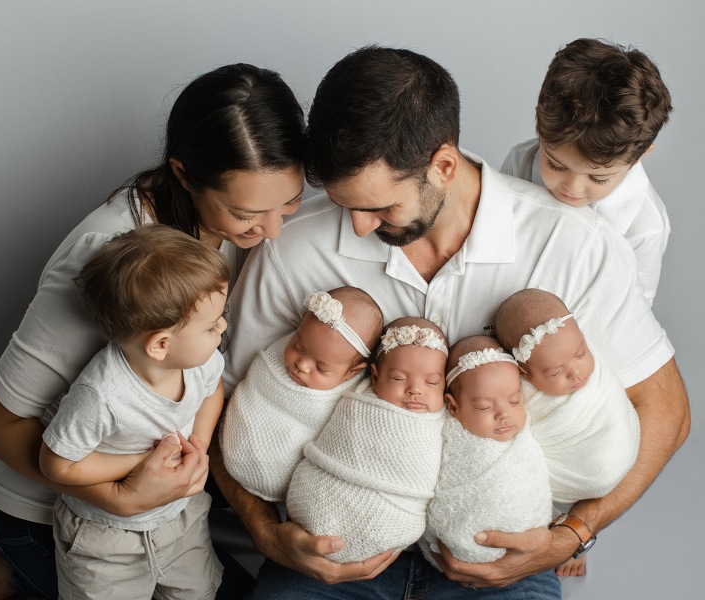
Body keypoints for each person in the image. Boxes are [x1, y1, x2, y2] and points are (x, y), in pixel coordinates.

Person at [212, 45, 689, 599]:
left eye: (381, 208)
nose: (360, 228)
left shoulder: (574, 245)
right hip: (331, 545)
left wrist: (571, 536)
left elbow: (666, 410)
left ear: (443, 165)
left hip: (500, 556)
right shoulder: (292, 249)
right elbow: (220, 402)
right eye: (347, 206)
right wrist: (265, 532)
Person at [0, 62, 305, 600]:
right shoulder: (108, 256)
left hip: (167, 509)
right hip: (53, 509)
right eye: (247, 213)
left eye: (288, 202)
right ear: (183, 173)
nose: (272, 231)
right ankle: (4, 559)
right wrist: (121, 498)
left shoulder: (246, 229)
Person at [38, 224, 229, 598]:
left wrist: (199, 443)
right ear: (160, 344)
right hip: (106, 538)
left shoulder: (199, 361)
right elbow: (56, 464)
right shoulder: (103, 394)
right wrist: (140, 462)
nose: (222, 326)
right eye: (211, 326)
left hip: (180, 519)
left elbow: (212, 391)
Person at [501, 38, 673, 305]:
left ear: (639, 156)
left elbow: (633, 312)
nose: (572, 186)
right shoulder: (520, 162)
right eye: (556, 165)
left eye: (598, 178)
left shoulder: (645, 227)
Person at [495, 288, 640, 577]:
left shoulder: (586, 361)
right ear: (525, 373)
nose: (576, 372)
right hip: (561, 474)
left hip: (618, 449)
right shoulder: (517, 389)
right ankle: (557, 525)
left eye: (580, 353)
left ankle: (577, 530)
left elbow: (613, 402)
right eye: (554, 372)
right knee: (518, 479)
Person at [286, 317, 448, 563]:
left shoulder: (444, 420)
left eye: (431, 382)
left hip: (398, 522)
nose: (415, 389)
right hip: (319, 507)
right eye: (398, 378)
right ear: (374, 376)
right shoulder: (356, 403)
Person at [220, 287, 383, 502]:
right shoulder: (280, 353)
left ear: (351, 372)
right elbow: (253, 386)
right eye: (298, 346)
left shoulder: (351, 397)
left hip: (287, 477)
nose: (302, 365)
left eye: (322, 368)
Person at [420, 336, 552, 567]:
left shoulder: (525, 438)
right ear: (453, 407)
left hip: (526, 552)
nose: (504, 414)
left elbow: (540, 484)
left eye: (514, 401)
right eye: (485, 407)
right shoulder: (442, 433)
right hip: (447, 549)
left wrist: (568, 544)